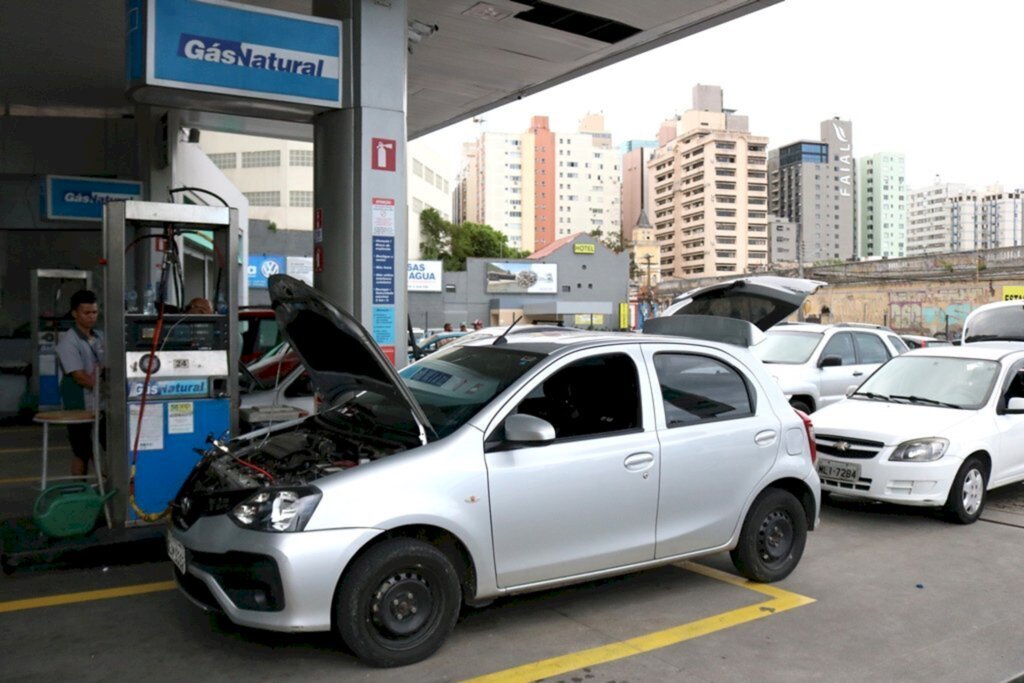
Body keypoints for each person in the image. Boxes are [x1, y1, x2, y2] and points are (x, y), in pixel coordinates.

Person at [55, 289, 105, 477]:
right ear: (75, 313)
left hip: (102, 403)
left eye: (94, 312)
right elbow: (80, 377)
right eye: (86, 313)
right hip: (79, 403)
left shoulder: (99, 336)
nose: (91, 317)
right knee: (81, 451)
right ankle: (78, 489)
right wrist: (109, 389)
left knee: (109, 446)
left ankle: (107, 484)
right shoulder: (69, 341)